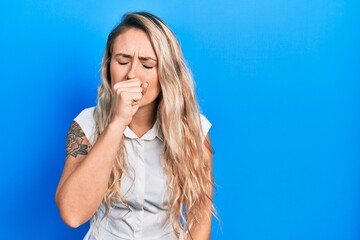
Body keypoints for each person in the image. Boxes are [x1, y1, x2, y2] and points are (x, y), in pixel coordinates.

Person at [55, 11, 215, 240]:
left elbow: (200, 212)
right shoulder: (86, 125)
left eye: (147, 65)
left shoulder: (194, 130)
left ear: (166, 73)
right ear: (109, 68)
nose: (132, 74)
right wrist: (117, 122)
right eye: (122, 61)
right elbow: (72, 214)